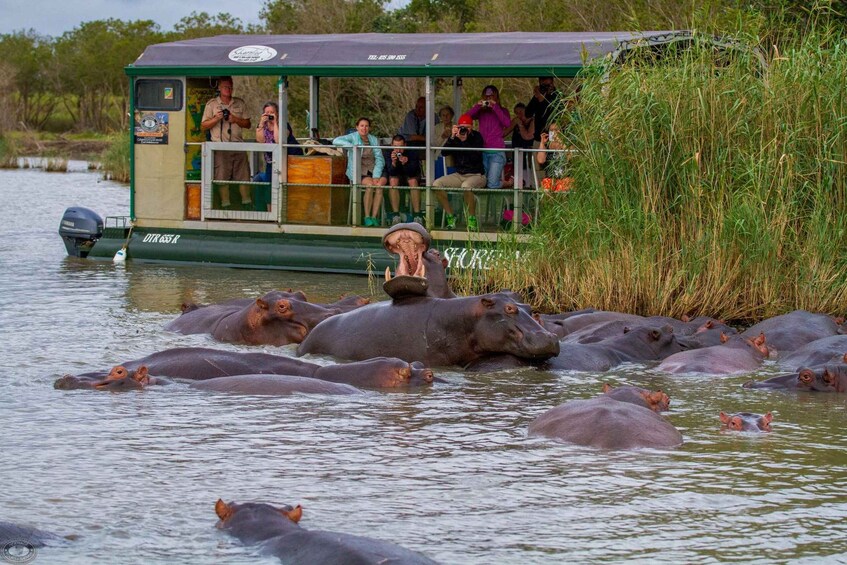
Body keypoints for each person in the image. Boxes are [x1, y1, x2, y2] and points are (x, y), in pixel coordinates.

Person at [200, 76, 252, 208]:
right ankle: (225, 204)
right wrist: (216, 118)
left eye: (230, 86)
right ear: (219, 87)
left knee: (243, 176)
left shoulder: (239, 103)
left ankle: (246, 203)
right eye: (225, 87)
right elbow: (203, 126)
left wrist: (235, 119)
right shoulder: (212, 104)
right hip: (220, 147)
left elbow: (247, 124)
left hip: (238, 146)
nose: (228, 89)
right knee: (221, 177)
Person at [433, 114, 486, 230]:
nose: (464, 130)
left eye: (466, 127)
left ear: (471, 127)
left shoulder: (477, 137)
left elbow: (475, 156)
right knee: (436, 184)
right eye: (462, 127)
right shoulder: (456, 138)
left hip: (476, 175)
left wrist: (465, 141)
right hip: (459, 175)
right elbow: (444, 153)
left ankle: (472, 219)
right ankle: (451, 216)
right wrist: (452, 137)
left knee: (466, 186)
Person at [332, 117, 387, 227]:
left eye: (366, 126)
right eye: (362, 126)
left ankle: (374, 217)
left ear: (369, 128)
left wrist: (376, 175)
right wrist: (353, 147)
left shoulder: (374, 139)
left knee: (379, 185)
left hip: (374, 169)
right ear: (357, 127)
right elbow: (336, 141)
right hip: (358, 171)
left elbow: (379, 158)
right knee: (370, 185)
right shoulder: (352, 137)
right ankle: (366, 217)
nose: (364, 128)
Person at [252, 101, 302, 211]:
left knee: (284, 186)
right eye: (267, 112)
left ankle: (283, 212)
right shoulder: (262, 126)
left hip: (288, 160)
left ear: (277, 114)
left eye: (272, 112)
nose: (269, 114)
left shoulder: (284, 125)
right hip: (272, 161)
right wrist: (261, 123)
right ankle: (270, 214)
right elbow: (260, 141)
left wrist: (275, 123)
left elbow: (279, 140)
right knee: (269, 187)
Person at [467, 85, 511, 191]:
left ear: (496, 97)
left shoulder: (503, 110)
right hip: (483, 152)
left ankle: (508, 183)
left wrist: (495, 107)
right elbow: (467, 117)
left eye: (491, 96)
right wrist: (477, 106)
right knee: (482, 183)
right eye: (486, 97)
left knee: (491, 184)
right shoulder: (481, 111)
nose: (489, 99)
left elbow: (507, 123)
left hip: (497, 152)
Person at [385, 135, 422, 225]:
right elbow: (390, 172)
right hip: (396, 176)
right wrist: (394, 162)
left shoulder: (412, 152)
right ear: (391, 145)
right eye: (395, 147)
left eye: (401, 147)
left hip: (410, 175)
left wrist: (406, 163)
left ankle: (417, 215)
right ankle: (395, 215)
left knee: (412, 181)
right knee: (393, 181)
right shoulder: (388, 152)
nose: (398, 150)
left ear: (405, 145)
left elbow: (413, 172)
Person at [503, 102, 535, 184]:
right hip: (517, 151)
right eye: (516, 113)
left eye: (521, 112)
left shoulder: (532, 120)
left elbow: (527, 136)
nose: (519, 115)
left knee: (529, 175)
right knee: (518, 175)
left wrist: (520, 125)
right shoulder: (516, 121)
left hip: (528, 152)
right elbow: (504, 133)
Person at [536, 122, 572, 192]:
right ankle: (548, 202)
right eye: (551, 130)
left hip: (565, 178)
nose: (553, 132)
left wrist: (560, 141)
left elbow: (570, 157)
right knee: (546, 186)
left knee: (564, 186)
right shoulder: (546, 146)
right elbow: (540, 160)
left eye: (556, 130)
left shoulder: (568, 144)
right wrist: (542, 143)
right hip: (550, 179)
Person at [525, 77, 559, 145]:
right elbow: (527, 114)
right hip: (539, 137)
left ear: (552, 83)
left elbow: (552, 115)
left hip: (553, 138)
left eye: (548, 85)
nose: (546, 87)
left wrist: (542, 100)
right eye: (544, 85)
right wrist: (536, 97)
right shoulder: (538, 96)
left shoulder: (557, 96)